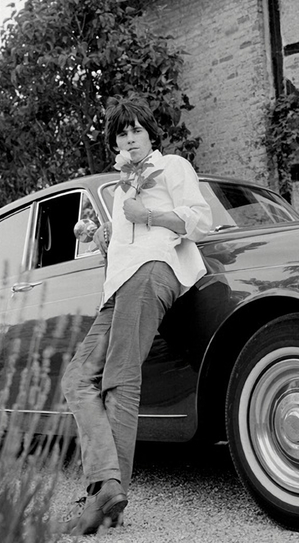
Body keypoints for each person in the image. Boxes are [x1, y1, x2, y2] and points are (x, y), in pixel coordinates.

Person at [57, 96, 213, 535]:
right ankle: (107, 486)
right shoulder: (123, 185)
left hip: (152, 272)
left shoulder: (173, 167)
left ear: (150, 133)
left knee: (120, 381)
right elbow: (128, 237)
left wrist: (151, 214)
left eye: (137, 130)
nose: (130, 139)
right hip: (120, 282)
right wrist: (107, 236)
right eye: (122, 134)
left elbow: (201, 221)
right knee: (77, 378)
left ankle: (103, 498)